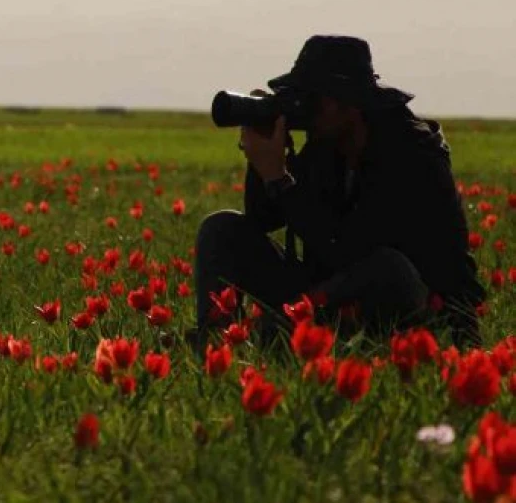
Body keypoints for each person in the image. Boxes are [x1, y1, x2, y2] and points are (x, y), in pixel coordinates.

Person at [192, 35, 485, 348]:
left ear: (349, 103)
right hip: (337, 291)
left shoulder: (410, 156)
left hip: (418, 312)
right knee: (222, 228)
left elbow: (347, 248)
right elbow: (263, 218)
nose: (305, 111)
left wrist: (280, 180)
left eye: (312, 100)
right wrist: (262, 158)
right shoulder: (327, 147)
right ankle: (215, 341)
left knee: (388, 267)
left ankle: (274, 333)